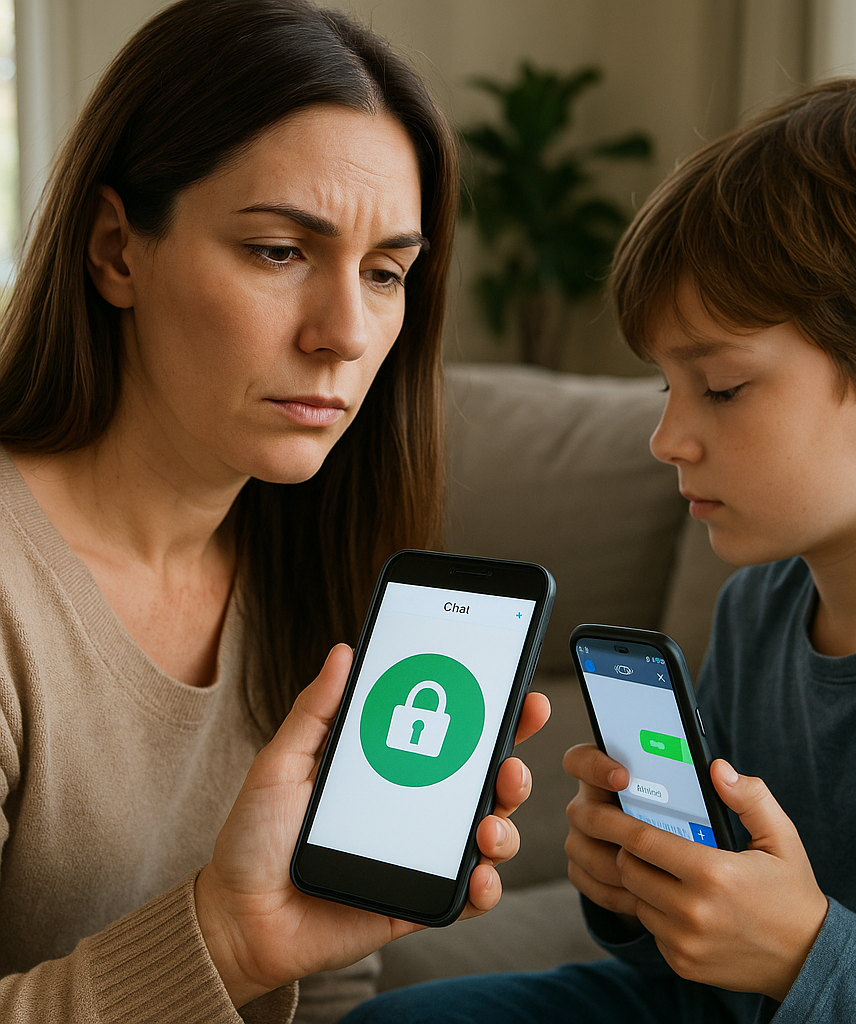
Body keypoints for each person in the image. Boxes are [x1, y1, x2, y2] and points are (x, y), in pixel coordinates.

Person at [344, 72, 856, 1022]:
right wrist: (634, 884)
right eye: (666, 387)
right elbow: (702, 916)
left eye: (722, 387)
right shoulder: (760, 605)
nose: (668, 437)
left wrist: (802, 957)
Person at [0, 1, 548, 1021]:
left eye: (385, 272)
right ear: (118, 249)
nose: (345, 332)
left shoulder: (314, 561)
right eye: (277, 251)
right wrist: (222, 943)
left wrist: (291, 945)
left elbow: (328, 989)